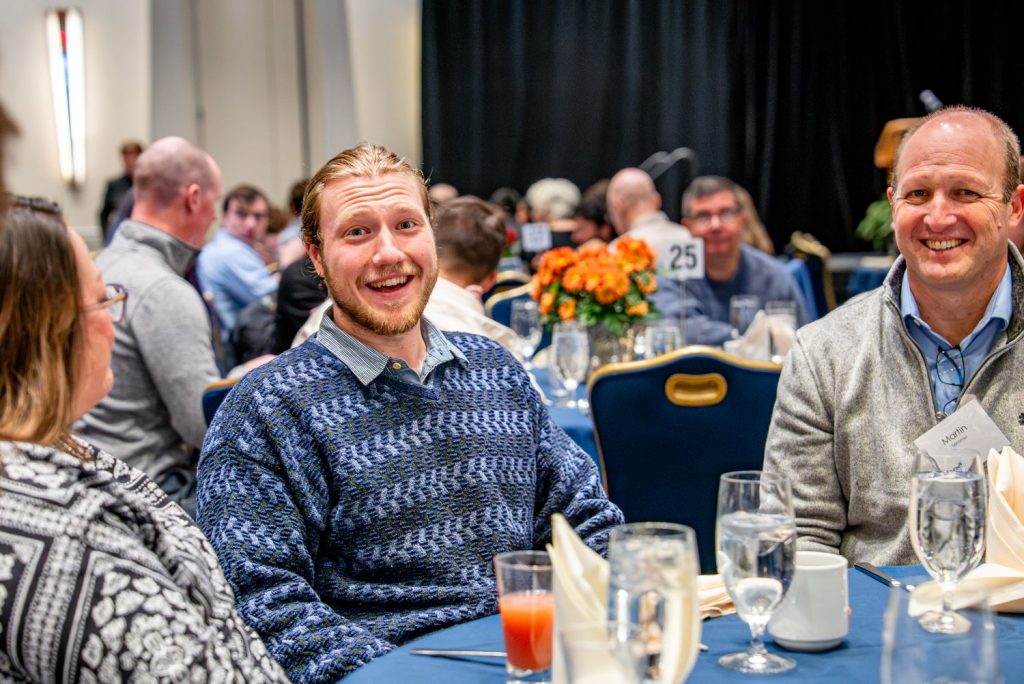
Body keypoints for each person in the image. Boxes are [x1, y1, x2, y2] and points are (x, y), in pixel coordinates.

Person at [196, 143, 622, 683]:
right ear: (316, 255)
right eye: (357, 232)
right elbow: (258, 606)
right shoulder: (266, 410)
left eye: (406, 225)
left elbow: (587, 520)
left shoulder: (497, 371)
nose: (389, 253)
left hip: (533, 660)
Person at [0, 195, 288, 682]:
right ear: (49, 329)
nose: (113, 320)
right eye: (103, 300)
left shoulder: (50, 450)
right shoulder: (65, 530)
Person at [764, 106, 1024, 565]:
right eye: (918, 194)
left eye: (965, 192)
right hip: (873, 609)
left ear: (1014, 206)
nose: (938, 217)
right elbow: (797, 534)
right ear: (893, 205)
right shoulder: (823, 353)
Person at [78, 137, 226, 510]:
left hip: (90, 473)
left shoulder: (99, 266)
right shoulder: (164, 290)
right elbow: (202, 426)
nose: (214, 217)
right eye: (214, 202)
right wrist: (253, 381)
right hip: (150, 489)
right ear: (194, 198)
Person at [679, 175, 810, 345]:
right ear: (687, 226)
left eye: (725, 213)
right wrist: (749, 337)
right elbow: (678, 329)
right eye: (703, 216)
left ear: (742, 220)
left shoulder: (774, 276)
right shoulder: (674, 275)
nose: (716, 225)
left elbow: (803, 340)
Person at [197, 184, 280, 336]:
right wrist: (287, 264)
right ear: (225, 217)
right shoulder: (229, 251)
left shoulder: (226, 246)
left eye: (258, 216)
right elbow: (277, 297)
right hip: (238, 344)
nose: (250, 224)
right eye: (241, 214)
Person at [98, 140, 143, 241]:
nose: (129, 162)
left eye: (133, 158)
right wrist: (107, 238)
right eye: (126, 158)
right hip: (120, 237)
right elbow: (104, 215)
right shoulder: (114, 185)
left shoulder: (148, 185)